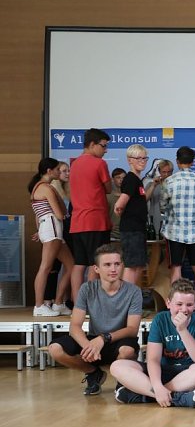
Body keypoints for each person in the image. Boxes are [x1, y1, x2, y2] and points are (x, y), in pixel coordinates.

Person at [48, 243, 142, 396]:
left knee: (128, 351)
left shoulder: (133, 291)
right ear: (96, 269)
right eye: (107, 265)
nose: (113, 269)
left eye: (117, 264)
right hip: (93, 341)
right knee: (55, 349)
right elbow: (75, 326)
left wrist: (103, 339)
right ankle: (93, 373)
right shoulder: (87, 288)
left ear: (122, 266)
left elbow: (132, 329)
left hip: (116, 340)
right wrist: (88, 347)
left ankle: (122, 382)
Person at [110, 278, 195, 408]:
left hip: (188, 376)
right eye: (179, 304)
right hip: (162, 372)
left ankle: (147, 395)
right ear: (168, 303)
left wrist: (182, 330)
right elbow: (153, 359)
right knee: (117, 366)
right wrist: (157, 386)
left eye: (189, 305)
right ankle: (175, 397)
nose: (184, 309)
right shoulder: (160, 319)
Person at [160, 146, 195, 314]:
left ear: (177, 161)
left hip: (174, 230)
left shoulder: (170, 181)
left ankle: (177, 305)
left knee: (176, 267)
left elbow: (163, 206)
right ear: (193, 162)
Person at [68, 128, 112, 301]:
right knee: (97, 265)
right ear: (92, 144)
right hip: (95, 221)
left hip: (77, 222)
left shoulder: (75, 164)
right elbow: (108, 188)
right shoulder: (99, 163)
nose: (105, 150)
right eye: (103, 146)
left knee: (79, 264)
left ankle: (77, 302)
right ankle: (91, 302)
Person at [28, 157, 74, 316]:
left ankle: (58, 303)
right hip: (52, 226)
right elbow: (61, 214)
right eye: (56, 169)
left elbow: (38, 214)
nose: (58, 172)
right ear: (49, 171)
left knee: (71, 266)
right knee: (46, 267)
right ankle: (39, 305)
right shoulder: (46, 188)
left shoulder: (38, 187)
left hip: (47, 227)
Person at [114, 146, 149, 285]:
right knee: (131, 266)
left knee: (138, 265)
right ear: (130, 160)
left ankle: (131, 299)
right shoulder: (131, 179)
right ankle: (127, 302)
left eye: (144, 158)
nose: (142, 161)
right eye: (138, 158)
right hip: (131, 229)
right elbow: (119, 205)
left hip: (138, 229)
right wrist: (125, 213)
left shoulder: (137, 179)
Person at [106, 168, 126, 242]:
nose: (121, 180)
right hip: (112, 234)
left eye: (123, 178)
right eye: (118, 177)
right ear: (112, 179)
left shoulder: (129, 195)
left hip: (127, 233)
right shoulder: (107, 196)